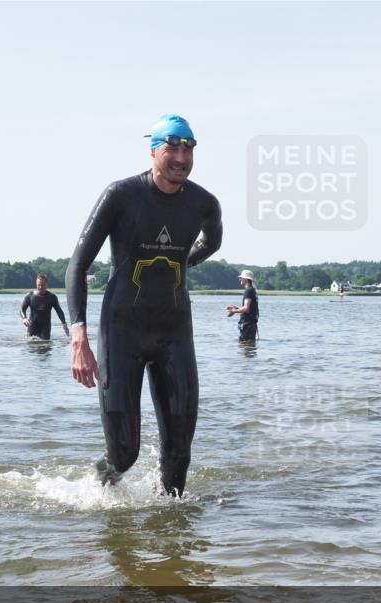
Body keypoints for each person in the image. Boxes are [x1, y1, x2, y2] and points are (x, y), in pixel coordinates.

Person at [66, 114, 223, 497]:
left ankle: (172, 537)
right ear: (153, 150)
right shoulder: (121, 196)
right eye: (173, 147)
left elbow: (213, 243)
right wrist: (79, 339)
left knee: (180, 454)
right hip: (123, 331)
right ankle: (100, 487)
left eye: (189, 148)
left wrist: (184, 261)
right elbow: (77, 266)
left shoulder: (204, 204)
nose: (181, 157)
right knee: (125, 454)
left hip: (174, 331)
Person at [21, 273, 68, 340]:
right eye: (39, 285)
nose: (40, 287)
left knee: (45, 346)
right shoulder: (30, 296)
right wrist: (24, 318)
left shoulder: (52, 297)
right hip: (32, 326)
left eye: (43, 285)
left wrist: (64, 325)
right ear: (36, 284)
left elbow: (59, 311)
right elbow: (22, 309)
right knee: (31, 346)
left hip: (45, 328)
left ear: (47, 285)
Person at [225, 270, 259, 341]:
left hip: (248, 325)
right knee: (248, 347)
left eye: (241, 278)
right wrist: (237, 308)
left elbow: (246, 308)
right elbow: (249, 308)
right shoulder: (252, 290)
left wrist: (234, 311)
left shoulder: (248, 291)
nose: (239, 279)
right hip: (251, 325)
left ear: (246, 279)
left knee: (244, 348)